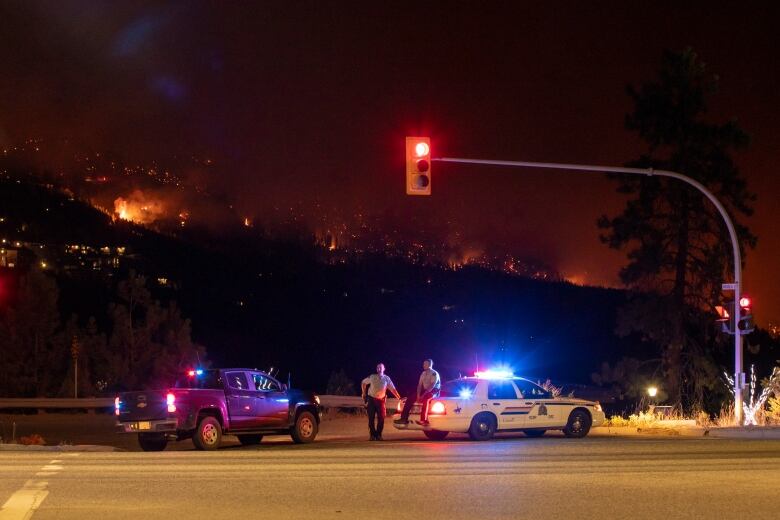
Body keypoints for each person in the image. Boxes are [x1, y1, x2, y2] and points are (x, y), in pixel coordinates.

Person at [361, 363, 401, 441]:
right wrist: (364, 393)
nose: (379, 369)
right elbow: (363, 383)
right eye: (377, 367)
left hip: (381, 400)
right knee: (371, 418)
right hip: (371, 399)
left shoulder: (387, 378)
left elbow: (393, 389)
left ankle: (379, 435)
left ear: (384, 369)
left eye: (380, 367)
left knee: (381, 418)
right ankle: (372, 435)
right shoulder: (372, 377)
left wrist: (399, 398)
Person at [395, 359, 441, 425]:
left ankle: (424, 420)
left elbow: (432, 386)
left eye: (425, 364)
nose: (423, 365)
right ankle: (403, 419)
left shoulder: (434, 373)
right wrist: (418, 395)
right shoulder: (423, 373)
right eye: (423, 364)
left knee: (426, 399)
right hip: (425, 390)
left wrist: (422, 396)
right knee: (410, 398)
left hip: (434, 391)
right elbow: (419, 385)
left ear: (430, 365)